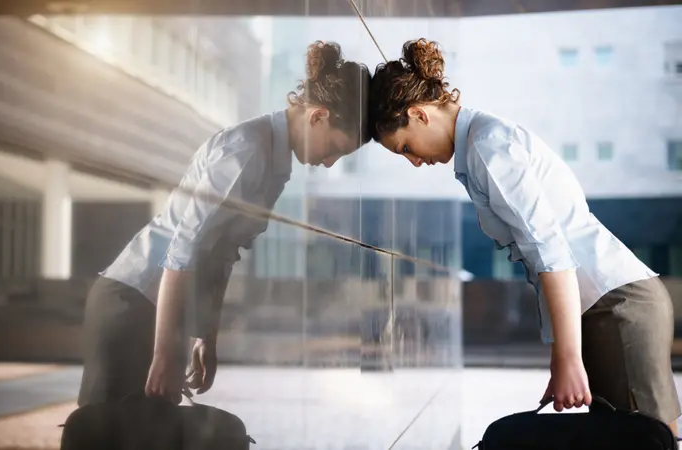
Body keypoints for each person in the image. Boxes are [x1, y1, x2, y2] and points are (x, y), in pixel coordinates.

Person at [367, 38, 680, 435]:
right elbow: (543, 260)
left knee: (649, 443)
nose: (414, 161)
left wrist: (567, 358)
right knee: (638, 442)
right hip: (608, 306)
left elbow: (550, 253)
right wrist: (562, 355)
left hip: (616, 306)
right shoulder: (480, 146)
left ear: (418, 114)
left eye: (406, 147)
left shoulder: (487, 147)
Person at [77, 41, 370, 407]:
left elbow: (223, 254)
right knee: (105, 435)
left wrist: (204, 335)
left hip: (162, 313)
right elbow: (183, 250)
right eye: (336, 149)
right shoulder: (248, 150)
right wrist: (166, 351)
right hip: (132, 302)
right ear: (318, 116)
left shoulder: (276, 163)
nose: (329, 162)